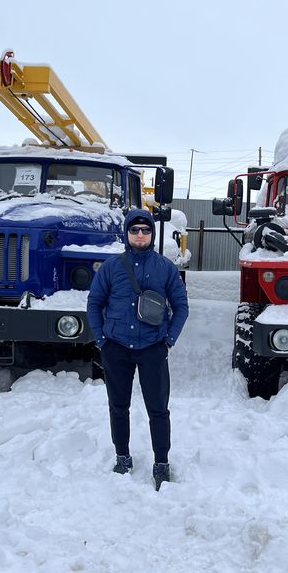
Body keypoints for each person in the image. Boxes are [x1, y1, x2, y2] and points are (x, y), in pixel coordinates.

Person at [86, 208, 189, 490]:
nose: (140, 235)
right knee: (118, 407)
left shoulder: (165, 268)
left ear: (152, 235)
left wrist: (168, 339)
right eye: (135, 230)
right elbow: (94, 303)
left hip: (152, 348)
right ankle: (122, 457)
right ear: (127, 233)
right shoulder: (111, 267)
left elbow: (181, 306)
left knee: (158, 409)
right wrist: (101, 339)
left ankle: (161, 462)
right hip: (115, 347)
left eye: (145, 230)